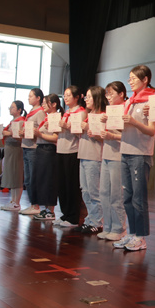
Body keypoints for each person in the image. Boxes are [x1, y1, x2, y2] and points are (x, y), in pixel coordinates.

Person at [113, 66, 155, 251]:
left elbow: (152, 130)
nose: (130, 81)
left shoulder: (151, 101)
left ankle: (141, 237)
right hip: (125, 151)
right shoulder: (130, 102)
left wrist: (134, 122)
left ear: (145, 79)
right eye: (129, 78)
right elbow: (124, 128)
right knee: (128, 197)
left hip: (140, 153)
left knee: (139, 198)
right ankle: (131, 233)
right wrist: (111, 122)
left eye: (133, 78)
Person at [98, 81, 127, 241]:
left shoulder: (125, 110)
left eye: (111, 93)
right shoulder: (108, 112)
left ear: (121, 94)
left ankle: (119, 228)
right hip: (106, 155)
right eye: (107, 94)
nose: (108, 97)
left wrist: (112, 135)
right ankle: (108, 226)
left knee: (116, 194)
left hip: (118, 155)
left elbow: (129, 135)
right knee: (104, 192)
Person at [54, 86, 86, 228]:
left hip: (72, 151)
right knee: (62, 185)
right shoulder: (66, 112)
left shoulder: (81, 112)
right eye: (65, 95)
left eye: (68, 95)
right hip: (61, 150)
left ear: (76, 97)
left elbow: (79, 132)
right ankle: (65, 214)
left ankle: (73, 217)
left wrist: (66, 126)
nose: (65, 98)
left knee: (71, 185)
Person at [76, 86, 107, 235]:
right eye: (86, 97)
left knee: (94, 191)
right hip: (83, 155)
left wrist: (88, 127)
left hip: (94, 157)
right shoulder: (88, 115)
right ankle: (90, 219)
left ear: (97, 98)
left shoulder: (102, 116)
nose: (86, 100)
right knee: (85, 190)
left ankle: (97, 222)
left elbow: (103, 137)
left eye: (89, 97)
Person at [31, 94, 63, 221]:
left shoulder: (55, 117)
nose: (43, 105)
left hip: (49, 151)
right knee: (41, 180)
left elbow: (55, 138)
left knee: (48, 180)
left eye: (46, 102)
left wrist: (40, 134)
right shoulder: (47, 117)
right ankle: (45, 209)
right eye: (43, 102)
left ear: (54, 104)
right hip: (41, 149)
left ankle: (50, 210)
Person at [20, 88, 46, 215]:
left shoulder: (40, 112)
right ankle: (32, 204)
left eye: (31, 96)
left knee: (33, 178)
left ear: (38, 98)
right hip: (26, 145)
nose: (29, 98)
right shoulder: (31, 112)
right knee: (27, 179)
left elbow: (42, 130)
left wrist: (33, 133)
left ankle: (36, 205)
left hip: (33, 148)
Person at [0, 101, 27, 211]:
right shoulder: (13, 121)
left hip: (16, 149)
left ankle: (16, 202)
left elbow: (21, 137)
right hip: (10, 149)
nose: (10, 109)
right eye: (10, 107)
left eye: (12, 107)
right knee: (11, 175)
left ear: (19, 110)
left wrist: (9, 133)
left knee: (16, 175)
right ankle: (13, 201)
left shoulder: (21, 121)